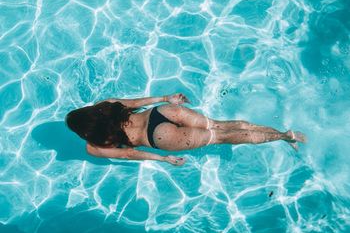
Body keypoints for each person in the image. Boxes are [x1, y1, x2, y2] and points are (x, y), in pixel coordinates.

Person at [65, 93, 306, 166]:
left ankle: (286, 137)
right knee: (220, 125)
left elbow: (129, 153)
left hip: (159, 137)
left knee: (223, 138)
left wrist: (164, 158)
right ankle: (284, 133)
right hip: (162, 112)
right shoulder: (102, 106)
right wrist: (167, 98)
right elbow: (134, 103)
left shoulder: (93, 146)